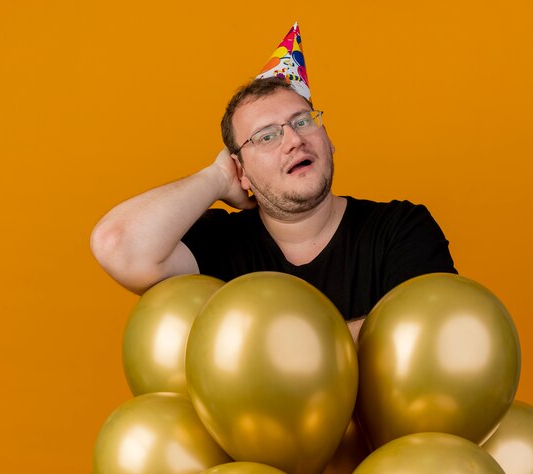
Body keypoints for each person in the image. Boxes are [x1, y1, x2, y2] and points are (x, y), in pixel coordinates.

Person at [90, 77, 456, 339]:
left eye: (302, 121)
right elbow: (117, 245)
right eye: (266, 136)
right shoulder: (221, 243)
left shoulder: (401, 227)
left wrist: (267, 348)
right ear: (241, 170)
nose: (294, 140)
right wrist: (216, 178)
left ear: (329, 141)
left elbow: (431, 332)